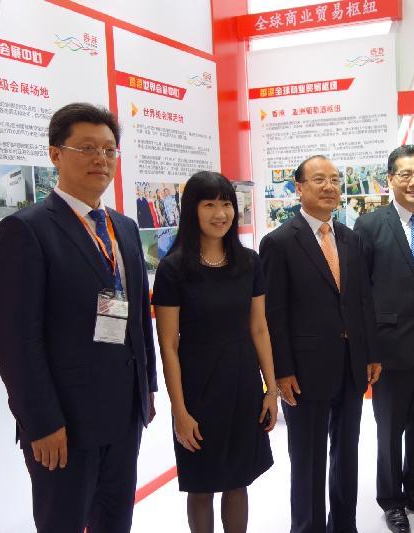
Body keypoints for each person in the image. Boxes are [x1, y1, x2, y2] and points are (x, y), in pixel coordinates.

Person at [0, 102, 157, 532]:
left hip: (122, 417)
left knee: (115, 522)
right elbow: (15, 340)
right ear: (55, 154)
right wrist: (40, 422)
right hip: (65, 426)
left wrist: (146, 393)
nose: (100, 159)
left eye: (108, 150)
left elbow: (136, 315)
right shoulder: (26, 230)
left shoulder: (124, 227)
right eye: (86, 148)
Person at [259, 155, 381, 533]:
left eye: (334, 180)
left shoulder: (351, 238)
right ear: (298, 188)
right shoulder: (279, 242)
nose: (329, 187)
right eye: (318, 180)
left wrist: (371, 352)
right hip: (305, 371)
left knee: (346, 455)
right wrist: (282, 371)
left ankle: (344, 525)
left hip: (351, 364)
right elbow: (273, 314)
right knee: (308, 459)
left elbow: (362, 301)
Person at [153, 171, 277, 533]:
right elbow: (169, 344)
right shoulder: (173, 268)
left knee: (238, 481)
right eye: (208, 204)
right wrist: (179, 410)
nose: (220, 213)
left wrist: (271, 389)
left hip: (242, 386)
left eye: (226, 204)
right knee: (202, 484)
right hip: (198, 390)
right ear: (192, 210)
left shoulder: (249, 262)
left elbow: (259, 328)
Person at [354, 145, 414, 533]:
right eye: (405, 174)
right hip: (388, 346)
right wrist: (368, 349)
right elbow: (362, 293)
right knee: (389, 427)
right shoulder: (370, 226)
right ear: (390, 179)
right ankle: (391, 499)